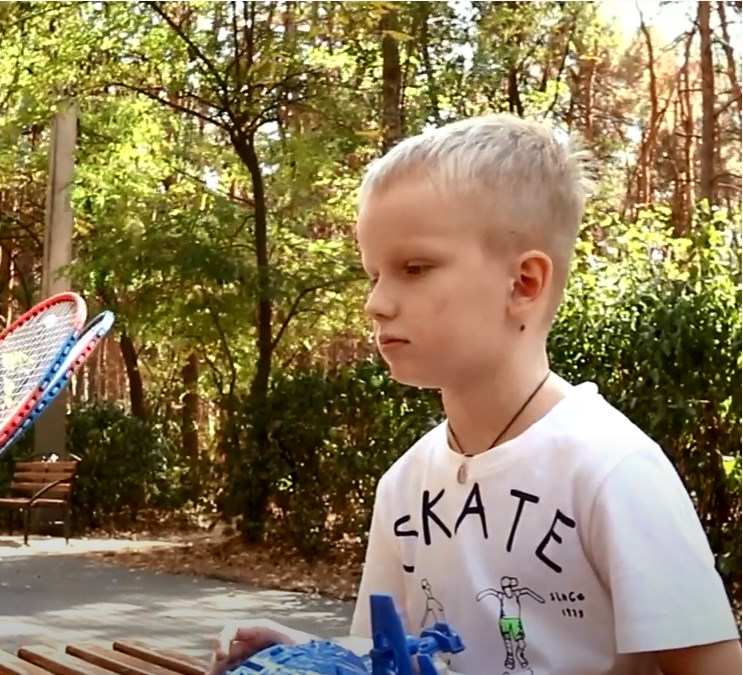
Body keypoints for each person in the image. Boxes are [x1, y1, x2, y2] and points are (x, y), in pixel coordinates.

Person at [208, 114, 741, 675]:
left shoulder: (612, 470)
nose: (377, 303)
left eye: (414, 268)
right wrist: (310, 656)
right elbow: (393, 659)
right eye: (373, 275)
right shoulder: (404, 484)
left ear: (524, 284)